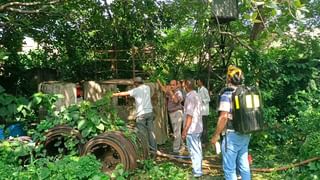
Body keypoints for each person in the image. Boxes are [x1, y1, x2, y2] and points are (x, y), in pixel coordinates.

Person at [210, 65, 251, 180]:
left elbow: (223, 117)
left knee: (229, 168)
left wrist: (216, 135)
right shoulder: (245, 93)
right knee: (244, 166)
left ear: (229, 78)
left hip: (231, 135)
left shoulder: (227, 94)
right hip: (245, 132)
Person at [113, 77, 157, 152]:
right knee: (151, 132)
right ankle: (154, 149)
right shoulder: (147, 87)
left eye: (134, 83)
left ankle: (145, 150)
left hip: (141, 114)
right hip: (149, 113)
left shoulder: (136, 90)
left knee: (142, 134)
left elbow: (125, 93)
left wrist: (114, 94)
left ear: (136, 83)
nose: (134, 85)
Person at [181, 79, 203, 178]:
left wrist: (185, 130)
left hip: (192, 128)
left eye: (183, 84)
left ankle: (197, 171)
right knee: (198, 149)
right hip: (198, 127)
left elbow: (189, 116)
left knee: (194, 150)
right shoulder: (197, 95)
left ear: (186, 86)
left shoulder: (190, 97)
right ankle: (198, 168)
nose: (182, 86)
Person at [157, 79, 184, 155]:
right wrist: (159, 82)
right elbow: (164, 90)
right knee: (176, 131)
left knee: (176, 132)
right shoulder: (170, 92)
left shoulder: (178, 93)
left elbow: (176, 101)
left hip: (177, 113)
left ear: (176, 85)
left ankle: (175, 150)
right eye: (170, 84)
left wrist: (171, 92)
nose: (171, 86)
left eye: (173, 85)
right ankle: (182, 146)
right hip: (172, 113)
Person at [196, 78, 210, 145]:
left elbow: (208, 99)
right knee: (201, 126)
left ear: (201, 82)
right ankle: (202, 140)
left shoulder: (204, 90)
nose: (197, 83)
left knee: (204, 127)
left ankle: (205, 141)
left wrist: (202, 101)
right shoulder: (198, 89)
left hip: (204, 111)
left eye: (198, 82)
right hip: (200, 111)